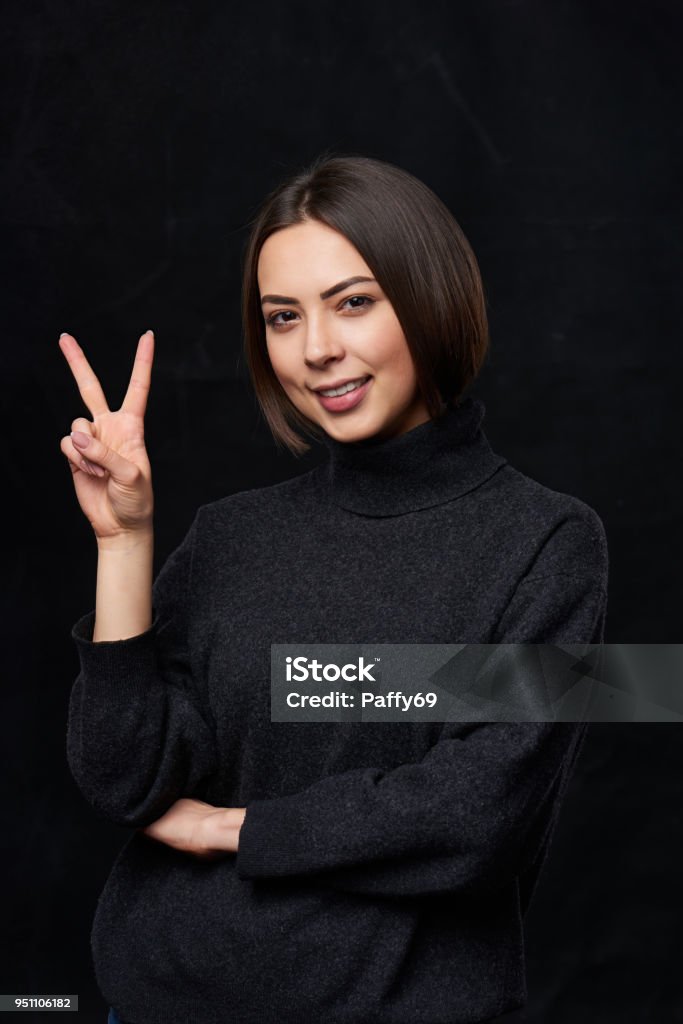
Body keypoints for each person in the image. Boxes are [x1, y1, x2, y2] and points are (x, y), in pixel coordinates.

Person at [61, 153, 608, 1024]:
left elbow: (477, 815)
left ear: (429, 299)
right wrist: (123, 542)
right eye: (283, 317)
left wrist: (234, 829)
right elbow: (124, 784)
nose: (316, 349)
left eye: (353, 302)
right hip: (161, 996)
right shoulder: (232, 536)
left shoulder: (546, 541)